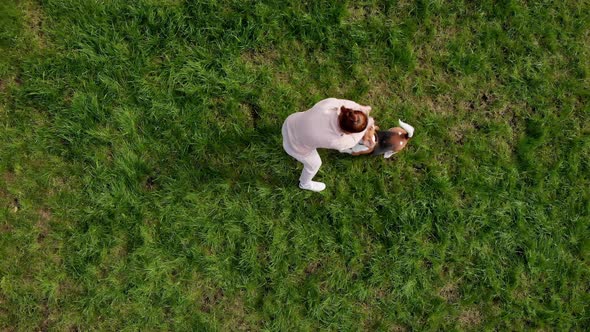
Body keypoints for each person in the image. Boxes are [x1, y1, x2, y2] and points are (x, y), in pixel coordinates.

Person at [281, 98, 375, 192]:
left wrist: (360, 109)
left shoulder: (327, 105)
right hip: (293, 147)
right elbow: (354, 140)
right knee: (315, 165)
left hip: (290, 122)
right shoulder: (337, 141)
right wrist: (369, 122)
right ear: (348, 133)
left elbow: (344, 103)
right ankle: (304, 184)